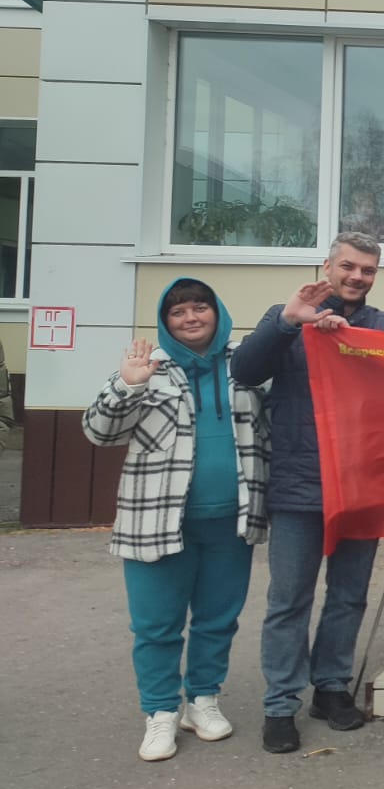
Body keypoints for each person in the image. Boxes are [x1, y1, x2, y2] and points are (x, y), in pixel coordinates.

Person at [232, 232, 384, 754]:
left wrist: (351, 340)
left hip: (363, 484)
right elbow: (243, 371)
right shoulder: (287, 314)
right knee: (289, 599)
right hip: (298, 484)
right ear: (327, 265)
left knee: (349, 595)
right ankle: (280, 704)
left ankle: (331, 687)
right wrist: (290, 322)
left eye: (368, 271)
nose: (357, 277)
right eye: (349, 267)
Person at [83, 279, 268, 761]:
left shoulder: (246, 367)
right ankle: (161, 712)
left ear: (217, 311)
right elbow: (99, 433)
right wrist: (128, 384)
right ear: (165, 322)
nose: (190, 318)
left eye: (199, 307)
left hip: (231, 521)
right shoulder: (150, 369)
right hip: (157, 521)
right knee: (156, 625)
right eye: (178, 311)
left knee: (217, 619)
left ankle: (203, 700)